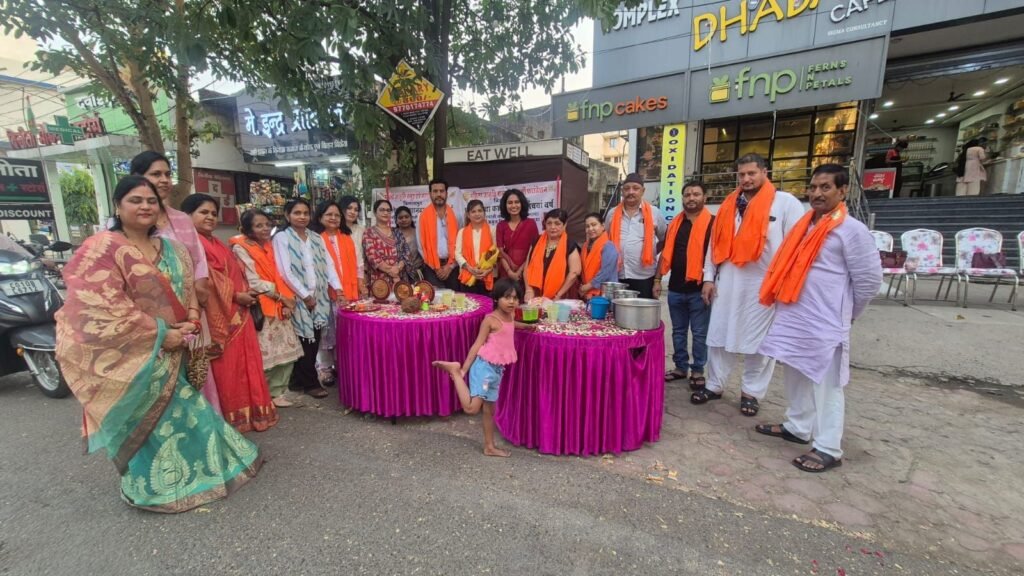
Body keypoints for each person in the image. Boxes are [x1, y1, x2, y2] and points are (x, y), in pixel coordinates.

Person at [55, 176, 261, 513]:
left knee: (185, 413)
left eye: (151, 201)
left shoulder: (173, 249)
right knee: (157, 418)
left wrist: (192, 317)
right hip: (137, 352)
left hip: (180, 343)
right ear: (118, 206)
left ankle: (203, 473)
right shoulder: (102, 249)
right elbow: (100, 306)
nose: (146, 206)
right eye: (135, 200)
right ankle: (159, 485)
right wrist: (160, 334)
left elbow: (189, 288)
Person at [755, 164, 882, 473]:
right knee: (795, 372)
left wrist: (849, 315)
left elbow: (869, 281)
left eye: (825, 187)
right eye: (813, 187)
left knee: (827, 384)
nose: (817, 193)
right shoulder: (805, 225)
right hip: (794, 315)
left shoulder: (852, 230)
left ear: (842, 191)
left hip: (826, 321)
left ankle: (828, 447)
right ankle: (798, 427)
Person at [693, 153, 805, 416]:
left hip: (763, 284)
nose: (746, 179)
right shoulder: (729, 205)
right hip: (727, 281)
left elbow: (796, 246)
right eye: (742, 174)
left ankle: (751, 393)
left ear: (765, 172)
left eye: (751, 173)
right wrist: (708, 278)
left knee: (759, 342)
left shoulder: (785, 203)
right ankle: (714, 385)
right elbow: (714, 246)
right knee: (718, 336)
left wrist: (784, 284)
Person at [128, 151, 219, 411]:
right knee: (155, 379)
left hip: (189, 310)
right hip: (147, 314)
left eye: (167, 174)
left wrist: (195, 310)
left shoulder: (181, 219)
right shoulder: (121, 224)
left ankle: (200, 427)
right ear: (136, 178)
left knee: (195, 372)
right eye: (156, 174)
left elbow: (197, 261)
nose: (164, 179)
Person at [181, 194, 278, 432]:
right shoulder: (190, 245)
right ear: (187, 216)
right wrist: (236, 295)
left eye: (213, 213)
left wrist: (244, 294)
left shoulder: (215, 242)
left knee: (247, 363)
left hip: (240, 312)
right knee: (229, 368)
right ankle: (233, 417)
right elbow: (207, 282)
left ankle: (253, 413)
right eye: (204, 212)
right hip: (220, 315)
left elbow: (234, 274)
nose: (210, 217)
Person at [432, 278, 526, 458]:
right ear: (496, 298)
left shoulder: (511, 315)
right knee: (471, 409)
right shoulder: (490, 320)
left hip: (497, 371)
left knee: (490, 410)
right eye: (507, 297)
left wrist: (527, 327)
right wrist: (464, 370)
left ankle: (489, 447)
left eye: (515, 298)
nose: (511, 301)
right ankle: (455, 371)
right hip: (484, 369)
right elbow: (476, 345)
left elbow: (511, 326)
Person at [229, 210, 304, 408]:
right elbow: (253, 281)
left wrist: (287, 300)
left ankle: (278, 392)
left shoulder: (271, 245)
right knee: (266, 355)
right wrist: (281, 297)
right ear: (248, 229)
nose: (265, 229)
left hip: (281, 303)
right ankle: (262, 394)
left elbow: (282, 273)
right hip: (262, 306)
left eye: (267, 224)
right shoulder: (241, 247)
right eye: (258, 225)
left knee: (287, 351)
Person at [273, 198, 343, 399]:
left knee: (315, 339)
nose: (302, 217)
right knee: (305, 341)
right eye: (297, 213)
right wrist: (305, 296)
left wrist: (338, 289)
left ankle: (297, 381)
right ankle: (310, 383)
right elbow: (285, 272)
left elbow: (328, 265)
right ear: (287, 215)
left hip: (319, 296)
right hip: (297, 297)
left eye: (305, 213)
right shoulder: (282, 237)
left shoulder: (316, 237)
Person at [660, 181, 714, 390]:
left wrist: (710, 282)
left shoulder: (713, 223)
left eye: (696, 194)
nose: (691, 198)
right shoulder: (676, 223)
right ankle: (680, 367)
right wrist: (657, 280)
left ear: (705, 197)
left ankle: (698, 370)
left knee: (699, 333)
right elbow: (666, 253)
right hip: (675, 287)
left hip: (700, 289)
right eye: (687, 195)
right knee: (678, 331)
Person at [312, 199, 361, 385]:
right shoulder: (315, 238)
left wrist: (360, 284)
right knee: (326, 331)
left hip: (348, 292)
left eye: (336, 215)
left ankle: (341, 365)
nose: (333, 218)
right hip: (324, 294)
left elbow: (358, 264)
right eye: (329, 214)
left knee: (344, 332)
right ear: (320, 217)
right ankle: (324, 368)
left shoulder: (347, 237)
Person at [605, 172, 667, 299]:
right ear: (622, 191)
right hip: (617, 275)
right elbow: (605, 240)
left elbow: (665, 240)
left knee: (642, 311)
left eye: (635, 188)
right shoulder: (612, 214)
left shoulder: (655, 213)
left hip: (644, 277)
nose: (631, 192)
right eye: (627, 188)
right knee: (616, 311)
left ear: (643, 191)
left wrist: (650, 252)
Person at [524, 209, 582, 302]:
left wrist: (558, 295)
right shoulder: (536, 241)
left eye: (557, 223)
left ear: (564, 225)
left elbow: (574, 272)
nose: (552, 227)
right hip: (535, 295)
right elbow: (527, 267)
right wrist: (528, 290)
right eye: (549, 223)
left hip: (562, 295)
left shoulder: (569, 245)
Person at [418, 178, 461, 290]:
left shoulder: (456, 215)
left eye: (441, 191)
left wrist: (450, 266)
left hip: (453, 267)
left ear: (446, 193)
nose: (438, 194)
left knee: (454, 298)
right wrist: (435, 267)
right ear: (430, 194)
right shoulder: (422, 216)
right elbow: (421, 246)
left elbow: (461, 242)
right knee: (434, 298)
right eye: (435, 191)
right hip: (431, 268)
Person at [364, 199, 411, 289]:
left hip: (399, 277)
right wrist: (391, 271)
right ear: (375, 212)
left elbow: (406, 252)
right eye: (382, 210)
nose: (385, 213)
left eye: (388, 210)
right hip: (379, 280)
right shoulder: (369, 233)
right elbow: (372, 257)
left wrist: (398, 268)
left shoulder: (397, 232)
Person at [495, 188, 539, 286]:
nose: (513, 205)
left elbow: (535, 250)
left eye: (517, 202)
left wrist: (520, 271)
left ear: (522, 204)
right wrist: (510, 272)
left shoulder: (531, 224)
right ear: (505, 205)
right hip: (506, 272)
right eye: (510, 203)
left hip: (527, 270)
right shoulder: (501, 225)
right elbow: (500, 252)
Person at [456, 200, 497, 294]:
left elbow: (496, 253)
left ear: (484, 213)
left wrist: (487, 271)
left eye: (479, 211)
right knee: (470, 302)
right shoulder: (462, 232)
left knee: (486, 303)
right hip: (468, 276)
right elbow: (457, 253)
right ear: (468, 215)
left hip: (487, 275)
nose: (477, 214)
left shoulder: (492, 230)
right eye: (473, 211)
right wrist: (469, 268)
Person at [578, 212, 619, 300]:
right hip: (587, 293)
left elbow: (606, 272)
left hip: (605, 294)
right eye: (587, 226)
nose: (590, 229)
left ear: (603, 226)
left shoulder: (609, 246)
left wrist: (588, 286)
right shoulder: (585, 246)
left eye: (594, 225)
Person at [337, 195, 368, 296]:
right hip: (339, 275)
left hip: (359, 275)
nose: (352, 212)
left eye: (356, 210)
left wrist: (363, 275)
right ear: (341, 209)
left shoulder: (362, 230)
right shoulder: (334, 230)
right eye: (349, 208)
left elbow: (365, 254)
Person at [395, 205, 424, 282]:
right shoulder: (393, 234)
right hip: (398, 273)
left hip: (417, 272)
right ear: (396, 220)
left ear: (411, 218)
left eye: (406, 217)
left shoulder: (418, 232)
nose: (404, 219)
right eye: (400, 218)